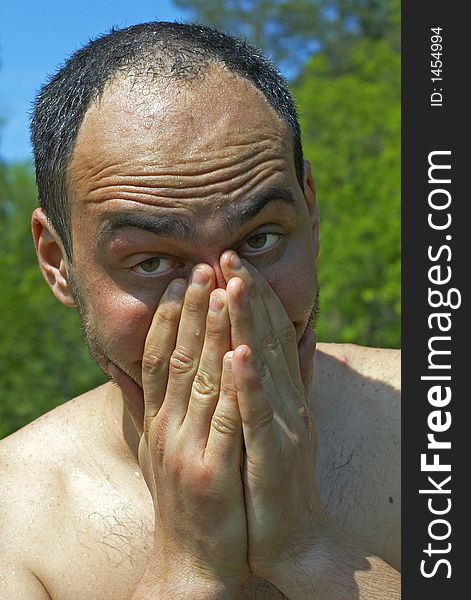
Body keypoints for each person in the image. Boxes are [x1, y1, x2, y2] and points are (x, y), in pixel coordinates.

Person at [0, 22, 400, 599]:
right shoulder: (16, 518)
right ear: (57, 260)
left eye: (261, 239)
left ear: (309, 214)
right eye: (151, 261)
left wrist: (306, 549)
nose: (223, 303)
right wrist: (188, 569)